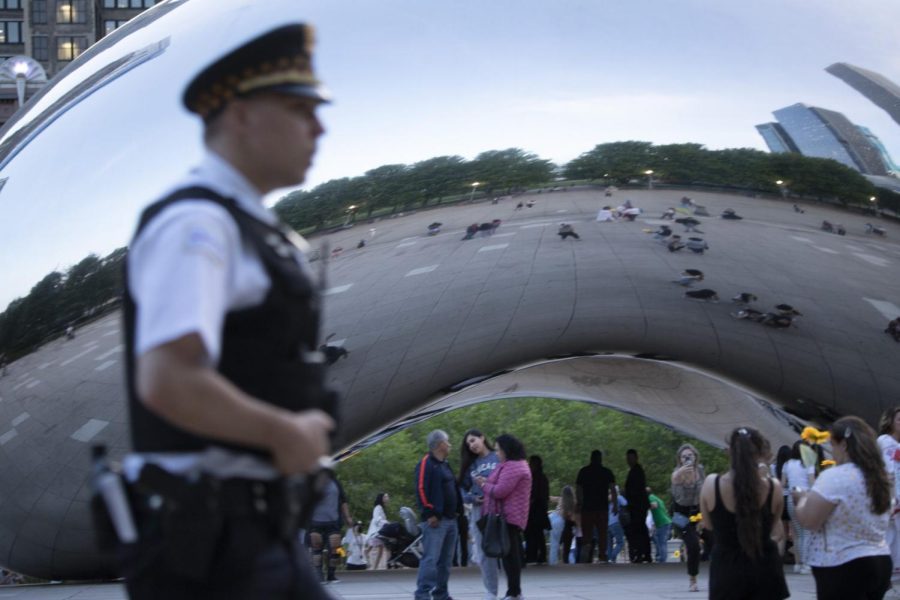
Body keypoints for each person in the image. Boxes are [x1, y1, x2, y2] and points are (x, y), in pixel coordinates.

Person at [120, 24, 336, 599]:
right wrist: (284, 431)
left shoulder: (249, 226)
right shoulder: (197, 224)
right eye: (298, 109)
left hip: (254, 530)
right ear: (240, 115)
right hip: (208, 547)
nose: (319, 127)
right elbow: (169, 378)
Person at [793, 416, 892, 600]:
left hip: (842, 563)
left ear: (844, 445)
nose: (832, 451)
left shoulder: (836, 477)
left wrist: (801, 499)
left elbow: (810, 521)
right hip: (879, 559)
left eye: (833, 444)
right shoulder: (879, 478)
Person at [701, 427, 788, 600]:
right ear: (761, 453)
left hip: (727, 569)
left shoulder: (712, 484)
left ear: (729, 452)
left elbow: (709, 525)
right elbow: (772, 525)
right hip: (765, 568)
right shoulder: (773, 487)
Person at [476, 434, 533, 600]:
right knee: (509, 555)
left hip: (509, 517)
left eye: (498, 449)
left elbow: (500, 491)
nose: (497, 453)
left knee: (511, 556)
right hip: (508, 516)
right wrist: (487, 483)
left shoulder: (514, 467)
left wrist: (483, 484)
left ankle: (514, 592)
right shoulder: (511, 465)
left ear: (507, 450)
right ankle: (514, 591)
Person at [414, 430, 462, 600]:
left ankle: (441, 593)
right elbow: (421, 488)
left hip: (451, 519)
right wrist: (430, 513)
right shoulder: (426, 463)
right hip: (436, 521)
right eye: (447, 442)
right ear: (440, 444)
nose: (449, 445)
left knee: (446, 561)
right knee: (431, 559)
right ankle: (422, 594)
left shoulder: (444, 464)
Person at [458, 429, 500, 600]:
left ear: (483, 438)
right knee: (484, 552)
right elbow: (459, 488)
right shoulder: (472, 464)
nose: (472, 445)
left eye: (473, 440)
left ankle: (515, 590)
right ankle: (491, 591)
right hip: (479, 511)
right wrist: (472, 498)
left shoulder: (497, 457)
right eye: (469, 443)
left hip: (500, 509)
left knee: (507, 549)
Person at [672, 443, 705, 592]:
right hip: (681, 516)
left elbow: (704, 494)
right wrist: (680, 476)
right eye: (684, 456)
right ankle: (693, 578)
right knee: (693, 545)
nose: (687, 458)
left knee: (716, 540)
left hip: (697, 513)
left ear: (695, 457)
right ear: (679, 459)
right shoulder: (676, 474)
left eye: (690, 456)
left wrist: (704, 517)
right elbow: (678, 495)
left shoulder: (700, 471)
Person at [576, 450, 617, 563]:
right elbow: (613, 489)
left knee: (587, 534)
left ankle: (586, 555)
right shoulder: (606, 472)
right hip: (602, 508)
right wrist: (615, 504)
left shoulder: (584, 472)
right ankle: (602, 556)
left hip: (588, 508)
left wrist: (580, 502)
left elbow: (579, 489)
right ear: (600, 458)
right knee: (602, 533)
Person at [782, 441, 813, 573]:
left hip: (790, 497)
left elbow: (783, 482)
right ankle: (806, 564)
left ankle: (798, 563)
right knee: (807, 532)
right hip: (805, 496)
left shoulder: (787, 464)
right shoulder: (808, 463)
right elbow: (812, 483)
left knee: (797, 532)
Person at [876, 407, 900, 580]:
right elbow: (886, 472)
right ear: (891, 421)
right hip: (890, 496)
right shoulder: (884, 441)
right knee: (889, 536)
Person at [624, 449, 652, 563]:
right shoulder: (635, 471)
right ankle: (644, 553)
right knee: (640, 529)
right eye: (628, 458)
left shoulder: (637, 471)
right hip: (637, 505)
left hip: (637, 505)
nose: (629, 460)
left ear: (636, 458)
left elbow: (635, 490)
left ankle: (641, 553)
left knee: (639, 529)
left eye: (631, 458)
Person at [525, 455, 550, 565]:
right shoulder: (542, 477)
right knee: (538, 534)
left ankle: (532, 555)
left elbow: (534, 494)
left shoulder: (534, 478)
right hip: (539, 509)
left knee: (531, 533)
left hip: (534, 509)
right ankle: (541, 555)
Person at [548, 485, 578, 565]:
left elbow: (550, 498)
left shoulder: (561, 499)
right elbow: (572, 518)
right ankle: (553, 562)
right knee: (556, 544)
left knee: (552, 543)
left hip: (551, 517)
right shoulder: (574, 502)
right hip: (561, 522)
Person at [365, 492, 390, 570]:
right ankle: (374, 566)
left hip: (378, 531)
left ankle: (374, 565)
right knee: (380, 547)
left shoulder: (380, 508)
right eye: (386, 497)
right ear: (382, 498)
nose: (387, 498)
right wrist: (386, 523)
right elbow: (377, 519)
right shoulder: (378, 507)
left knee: (380, 548)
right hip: (376, 531)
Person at [648, 487, 672, 563]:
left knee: (661, 542)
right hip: (663, 522)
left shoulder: (650, 497)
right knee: (658, 540)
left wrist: (644, 505)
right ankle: (660, 557)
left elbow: (654, 505)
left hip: (663, 522)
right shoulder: (657, 498)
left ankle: (662, 560)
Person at [607, 486, 629, 563]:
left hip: (607, 523)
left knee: (609, 544)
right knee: (620, 542)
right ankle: (612, 557)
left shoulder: (606, 499)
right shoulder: (618, 497)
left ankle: (609, 559)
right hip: (615, 522)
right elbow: (625, 503)